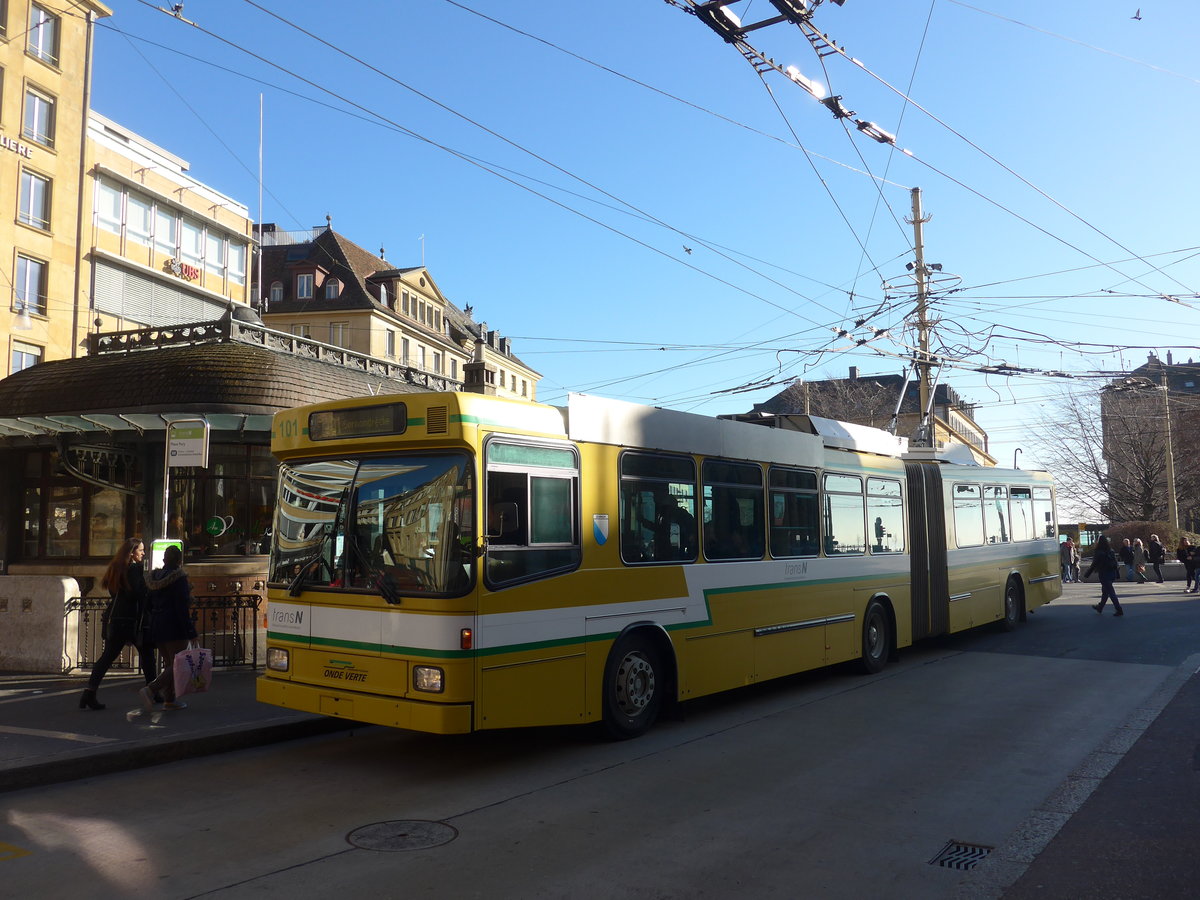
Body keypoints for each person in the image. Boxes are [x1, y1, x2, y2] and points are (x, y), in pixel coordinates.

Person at [79, 538, 157, 710]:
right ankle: (154, 691)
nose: (143, 553)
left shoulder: (116, 569)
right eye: (141, 550)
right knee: (147, 655)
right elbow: (135, 593)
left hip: (116, 618)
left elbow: (116, 593)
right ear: (132, 553)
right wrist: (148, 589)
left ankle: (89, 692)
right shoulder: (135, 568)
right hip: (132, 620)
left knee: (107, 657)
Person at [139, 545, 198, 713]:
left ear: (164, 559)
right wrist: (191, 631)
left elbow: (148, 605)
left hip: (157, 625)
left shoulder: (154, 578)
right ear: (179, 560)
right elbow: (181, 607)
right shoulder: (178, 579)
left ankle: (170, 700)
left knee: (171, 664)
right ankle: (151, 689)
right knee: (178, 664)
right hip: (174, 626)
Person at [1085, 535, 1124, 616]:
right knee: (1105, 591)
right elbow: (1115, 563)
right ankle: (1100, 607)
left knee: (1110, 592)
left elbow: (1094, 564)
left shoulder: (1099, 551)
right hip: (1112, 573)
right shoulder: (1111, 551)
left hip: (1104, 573)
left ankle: (1119, 609)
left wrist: (1087, 573)